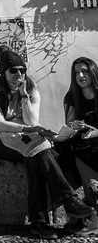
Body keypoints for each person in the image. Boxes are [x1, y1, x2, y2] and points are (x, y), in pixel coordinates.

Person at [0, 46, 94, 240]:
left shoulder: (31, 90)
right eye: (13, 70)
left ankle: (39, 222)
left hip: (27, 140)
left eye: (22, 70)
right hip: (2, 141)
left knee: (37, 159)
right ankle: (68, 202)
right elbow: (0, 124)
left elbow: (32, 121)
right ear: (4, 72)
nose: (19, 74)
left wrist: (25, 96)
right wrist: (29, 130)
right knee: (40, 152)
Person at [55, 57, 98, 234]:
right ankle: (81, 211)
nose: (80, 75)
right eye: (76, 73)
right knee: (63, 154)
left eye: (84, 71)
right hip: (81, 143)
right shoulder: (71, 97)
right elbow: (70, 124)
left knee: (83, 153)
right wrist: (74, 126)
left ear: (93, 72)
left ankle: (87, 213)